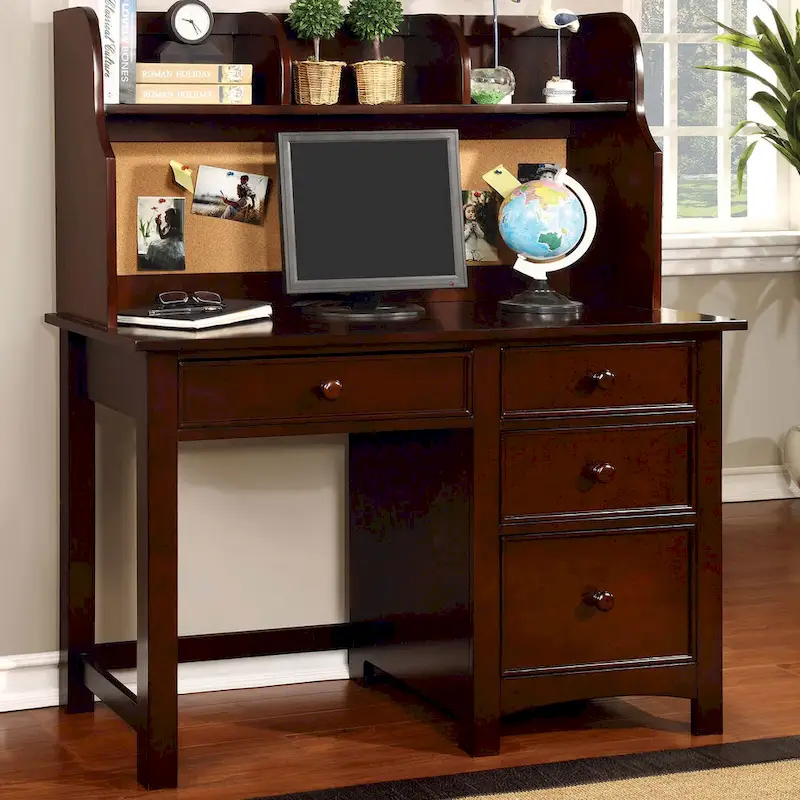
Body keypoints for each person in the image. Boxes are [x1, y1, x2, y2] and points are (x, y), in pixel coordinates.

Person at [145, 206, 185, 270]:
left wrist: (158, 225)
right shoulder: (167, 226)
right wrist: (159, 225)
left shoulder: (173, 229)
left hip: (173, 246)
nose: (165, 217)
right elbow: (161, 234)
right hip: (167, 243)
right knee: (153, 245)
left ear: (172, 218)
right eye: (165, 215)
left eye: (167, 215)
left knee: (158, 250)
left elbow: (162, 237)